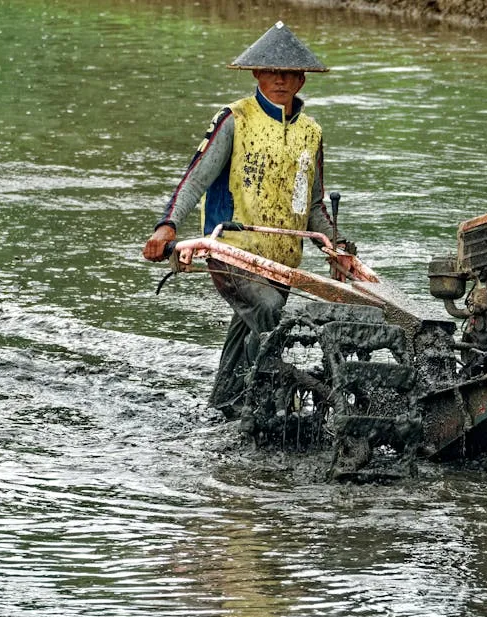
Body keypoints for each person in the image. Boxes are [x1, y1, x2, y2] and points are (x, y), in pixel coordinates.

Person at [142, 21, 352, 416]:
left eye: (289, 73)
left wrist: (336, 247)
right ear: (257, 73)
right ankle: (269, 409)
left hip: (282, 262)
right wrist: (167, 226)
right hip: (232, 253)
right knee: (268, 312)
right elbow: (195, 179)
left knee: (248, 331)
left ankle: (222, 407)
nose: (280, 80)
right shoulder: (234, 119)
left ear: (302, 80)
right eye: (272, 71)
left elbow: (312, 205)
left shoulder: (311, 132)